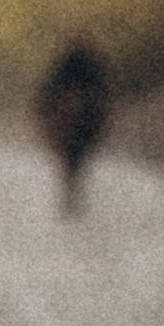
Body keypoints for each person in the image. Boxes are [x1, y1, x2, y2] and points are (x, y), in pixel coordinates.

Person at [33, 38, 112, 213]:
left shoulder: (89, 66)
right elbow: (50, 88)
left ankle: (72, 186)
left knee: (91, 126)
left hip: (87, 112)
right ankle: (69, 188)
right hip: (66, 109)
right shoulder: (65, 65)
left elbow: (101, 91)